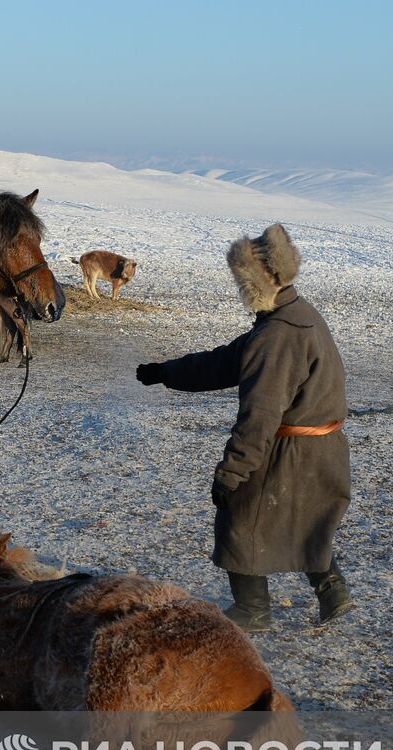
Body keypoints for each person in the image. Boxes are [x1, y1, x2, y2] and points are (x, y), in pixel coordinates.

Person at [136, 224, 356, 632]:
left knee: (240, 518)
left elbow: (258, 418)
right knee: (307, 519)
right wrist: (166, 372)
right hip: (324, 447)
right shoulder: (297, 313)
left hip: (290, 450)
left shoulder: (277, 335)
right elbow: (227, 361)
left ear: (253, 282)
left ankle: (252, 611)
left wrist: (232, 473)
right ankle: (333, 590)